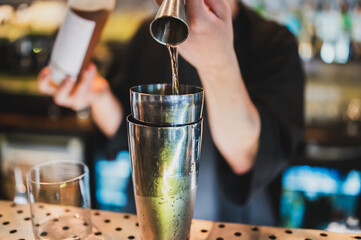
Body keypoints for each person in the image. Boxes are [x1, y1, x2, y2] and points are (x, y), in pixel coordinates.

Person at [38, 0, 304, 225]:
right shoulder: (148, 34)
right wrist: (98, 97)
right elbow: (123, 131)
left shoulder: (274, 43)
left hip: (234, 226)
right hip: (150, 219)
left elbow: (246, 157)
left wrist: (217, 61)